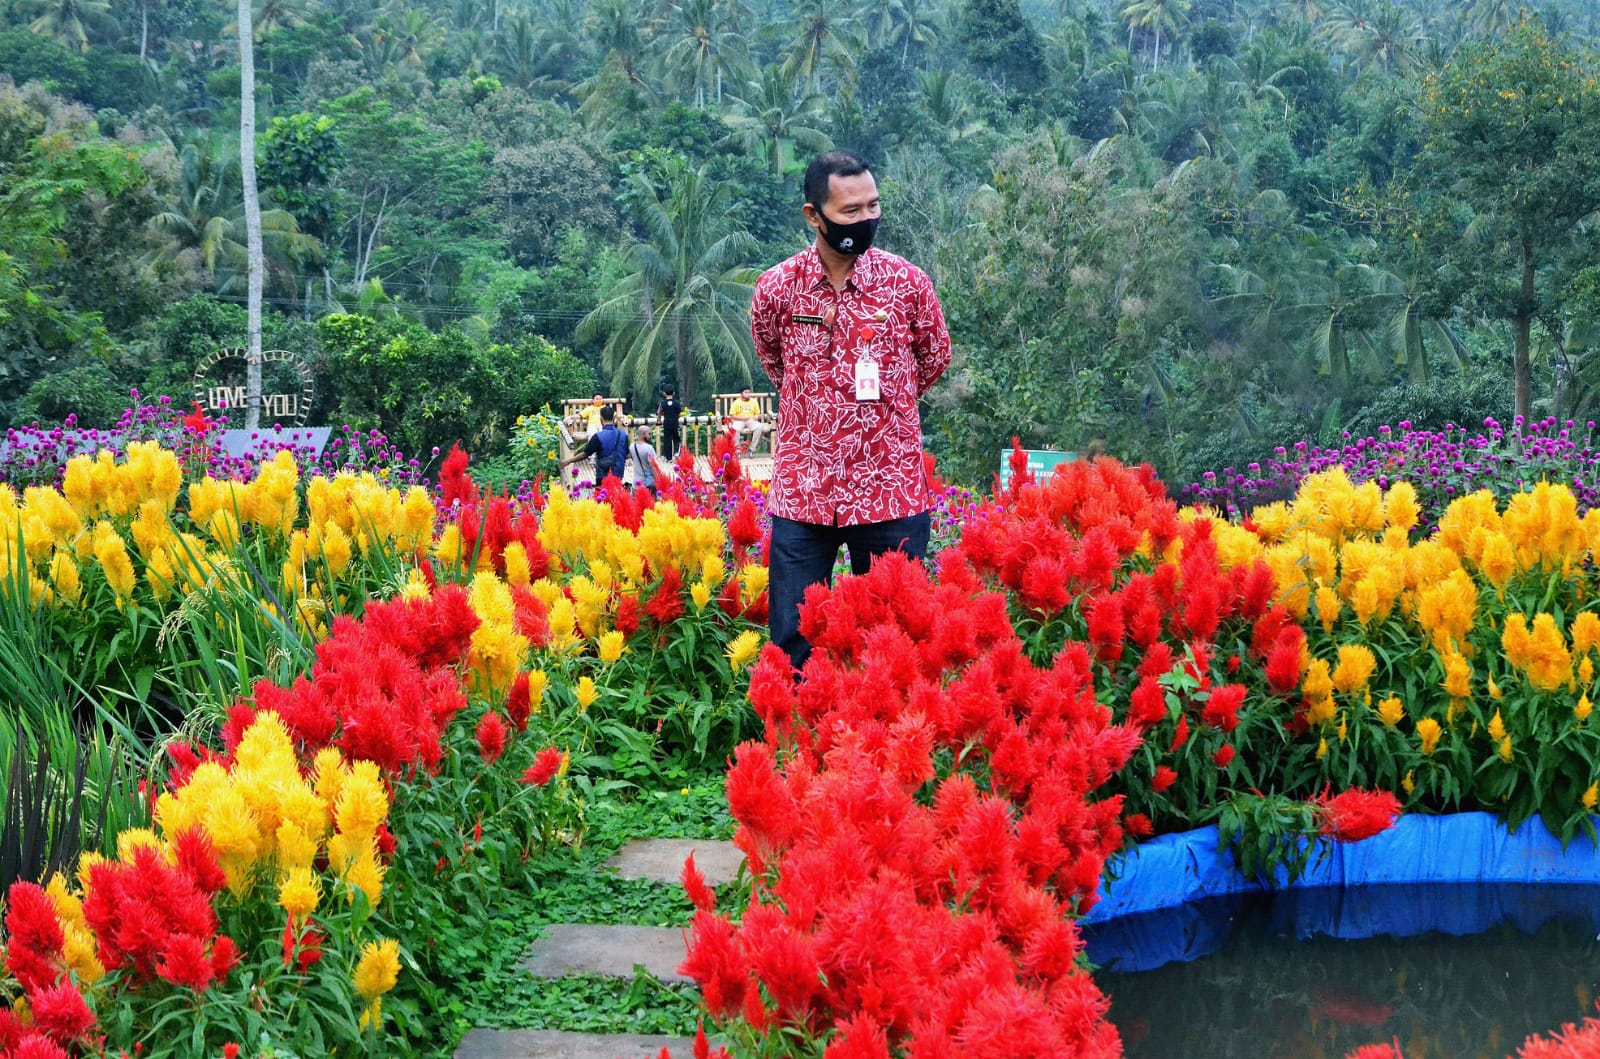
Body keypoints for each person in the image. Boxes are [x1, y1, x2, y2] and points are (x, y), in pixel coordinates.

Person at [750, 149, 952, 671]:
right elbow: (774, 361)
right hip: (804, 492)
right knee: (794, 642)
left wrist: (887, 410)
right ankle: (797, 742)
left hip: (889, 490)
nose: (866, 220)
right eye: (850, 211)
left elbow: (933, 358)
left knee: (892, 643)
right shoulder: (776, 288)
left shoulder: (908, 284)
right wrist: (818, 407)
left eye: (873, 207)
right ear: (813, 215)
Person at [561, 404, 628, 483]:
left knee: (602, 494)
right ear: (613, 418)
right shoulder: (623, 434)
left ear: (601, 419)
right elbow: (627, 454)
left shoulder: (598, 436)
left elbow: (585, 454)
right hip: (619, 473)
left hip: (603, 474)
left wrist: (568, 461)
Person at [728, 387, 768, 453]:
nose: (748, 394)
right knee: (735, 428)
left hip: (750, 420)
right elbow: (732, 415)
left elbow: (758, 413)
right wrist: (742, 418)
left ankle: (752, 448)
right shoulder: (736, 402)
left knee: (759, 427)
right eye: (746, 393)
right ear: (741, 394)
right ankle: (737, 449)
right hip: (739, 421)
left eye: (749, 393)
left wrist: (757, 416)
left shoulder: (754, 401)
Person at [629, 424, 660, 494]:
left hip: (635, 484)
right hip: (647, 484)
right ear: (643, 434)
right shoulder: (649, 448)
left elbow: (631, 457)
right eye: (649, 433)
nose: (650, 435)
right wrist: (658, 481)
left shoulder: (632, 446)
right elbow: (653, 467)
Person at [656, 385, 683, 459]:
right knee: (676, 438)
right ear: (673, 393)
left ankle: (668, 458)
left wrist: (659, 420)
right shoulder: (677, 403)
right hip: (675, 423)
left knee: (667, 439)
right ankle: (677, 452)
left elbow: (659, 412)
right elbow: (679, 413)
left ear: (664, 393)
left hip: (666, 423)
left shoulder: (662, 403)